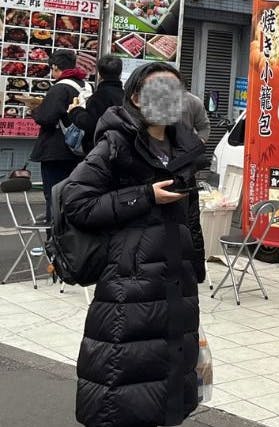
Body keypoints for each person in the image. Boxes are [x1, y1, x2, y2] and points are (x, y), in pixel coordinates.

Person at [61, 62, 206, 427]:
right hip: (130, 280)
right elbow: (76, 202)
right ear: (138, 96)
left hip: (176, 281)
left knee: (168, 385)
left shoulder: (184, 146)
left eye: (175, 90)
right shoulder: (117, 142)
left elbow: (190, 214)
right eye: (159, 90)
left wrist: (197, 269)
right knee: (122, 382)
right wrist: (144, 196)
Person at [29, 50, 90, 223]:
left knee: (54, 197)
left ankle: (54, 244)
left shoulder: (60, 88)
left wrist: (35, 111)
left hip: (56, 150)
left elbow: (46, 118)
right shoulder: (85, 86)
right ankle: (71, 241)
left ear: (55, 67)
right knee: (73, 196)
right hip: (78, 149)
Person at [69, 55, 124, 154]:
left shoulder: (100, 96)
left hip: (101, 149)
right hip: (121, 148)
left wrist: (75, 110)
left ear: (99, 75)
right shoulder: (126, 95)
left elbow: (90, 123)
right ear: (120, 74)